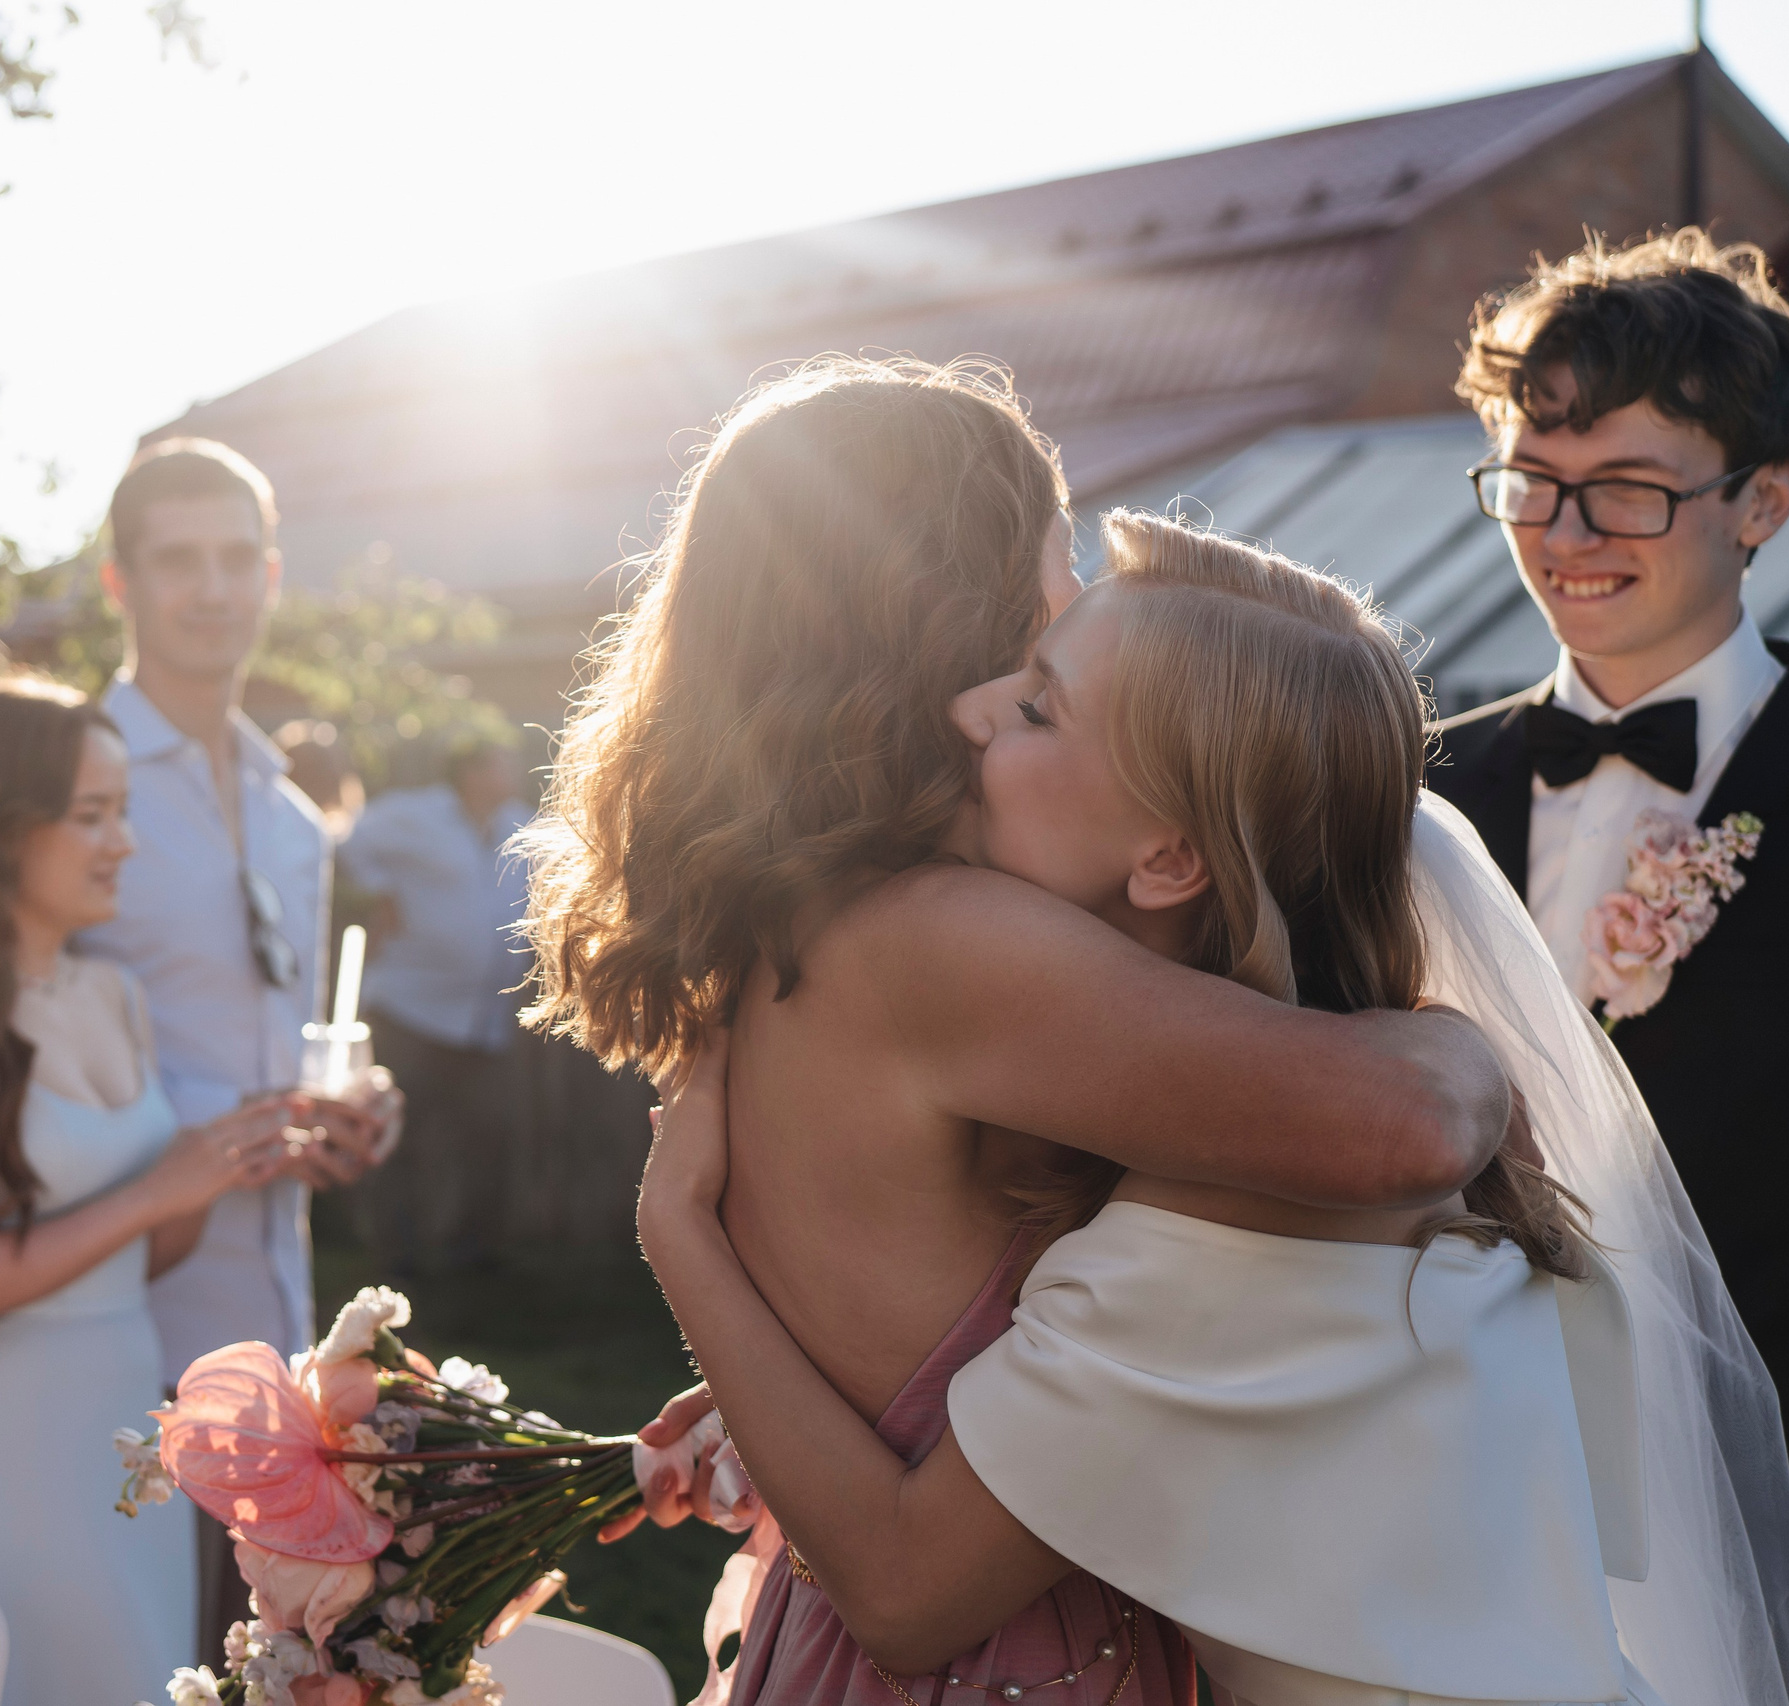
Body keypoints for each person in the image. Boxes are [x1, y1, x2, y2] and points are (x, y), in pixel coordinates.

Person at [634, 515, 1787, 1705]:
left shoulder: (1234, 1210)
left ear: (1170, 857)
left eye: (1037, 706)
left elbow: (904, 1591)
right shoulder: (1296, 1127)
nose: (971, 709)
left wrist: (680, 1228)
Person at [524, 357, 1521, 1703]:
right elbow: (1398, 1123)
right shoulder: (942, 940)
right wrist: (1478, 1039)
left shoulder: (795, 920)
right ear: (946, 607)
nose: (1077, 603)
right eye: (1053, 569)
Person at [0, 679, 304, 1706]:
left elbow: (141, 1255)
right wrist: (154, 1188)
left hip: (127, 1421)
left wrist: (214, 1172)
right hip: (8, 1439)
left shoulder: (115, 992)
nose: (124, 840)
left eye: (124, 809)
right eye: (93, 814)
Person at [1430, 228, 1789, 1386]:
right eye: (1532, 483)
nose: (1564, 535)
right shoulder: (1406, 789)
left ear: (1763, 502)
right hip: (1477, 1436)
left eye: (1627, 490)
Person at [79, 437, 401, 1655]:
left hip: (275, 1307)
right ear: (120, 583)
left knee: (256, 1650)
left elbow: (291, 1023)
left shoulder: (289, 816)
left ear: (271, 574)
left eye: (235, 559)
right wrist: (233, 1119)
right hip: (118, 1296)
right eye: (178, 561)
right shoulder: (74, 783)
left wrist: (357, 1109)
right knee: (126, 1642)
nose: (212, 590)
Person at [337, 734, 531, 1274]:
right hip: (410, 1013)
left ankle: (469, 1262)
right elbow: (349, 838)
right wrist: (379, 891)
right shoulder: (413, 816)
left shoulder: (521, 826)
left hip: (483, 1022)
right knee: (400, 1142)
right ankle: (395, 1261)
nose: (513, 770)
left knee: (486, 1141)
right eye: (501, 761)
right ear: (469, 772)